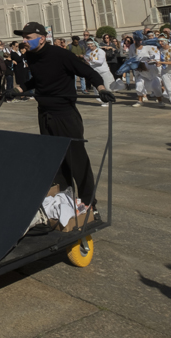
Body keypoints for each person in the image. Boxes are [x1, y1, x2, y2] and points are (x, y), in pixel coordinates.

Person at [12, 22, 116, 207]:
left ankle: (88, 201)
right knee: (54, 159)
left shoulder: (61, 54)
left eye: (28, 37)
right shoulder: (31, 56)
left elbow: (88, 72)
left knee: (76, 159)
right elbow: (38, 79)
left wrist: (101, 89)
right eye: (23, 38)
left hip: (65, 115)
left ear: (41, 38)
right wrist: (19, 88)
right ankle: (64, 199)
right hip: (44, 113)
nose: (24, 41)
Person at [84, 40, 115, 106]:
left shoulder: (100, 51)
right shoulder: (88, 52)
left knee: (106, 86)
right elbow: (87, 60)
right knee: (97, 87)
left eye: (91, 44)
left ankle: (108, 100)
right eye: (88, 44)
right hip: (95, 72)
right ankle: (102, 100)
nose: (89, 46)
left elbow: (100, 61)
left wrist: (92, 60)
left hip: (103, 71)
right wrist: (87, 62)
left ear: (94, 44)